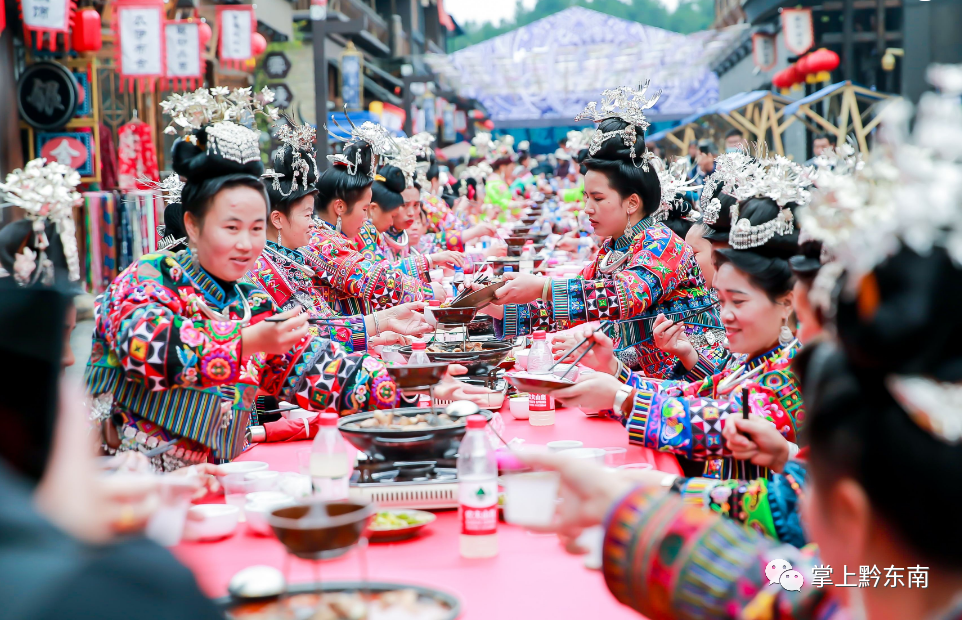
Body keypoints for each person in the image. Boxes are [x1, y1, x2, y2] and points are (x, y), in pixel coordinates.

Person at [86, 92, 398, 471]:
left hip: (211, 483)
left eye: (254, 228)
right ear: (192, 225)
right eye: (231, 227)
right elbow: (151, 348)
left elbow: (310, 363)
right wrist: (247, 342)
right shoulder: (147, 279)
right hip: (123, 494)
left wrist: (407, 392)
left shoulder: (247, 299)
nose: (247, 244)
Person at [548, 155, 811, 480]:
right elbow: (693, 394)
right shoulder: (753, 359)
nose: (725, 314)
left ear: (788, 302)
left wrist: (621, 396)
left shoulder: (794, 371)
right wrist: (614, 372)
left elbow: (715, 421)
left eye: (738, 302)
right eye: (722, 299)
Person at [484, 85, 725, 378]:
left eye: (597, 199)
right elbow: (573, 306)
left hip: (693, 377)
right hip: (643, 375)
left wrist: (541, 286)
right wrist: (496, 305)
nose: (587, 208)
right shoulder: (613, 249)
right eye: (586, 198)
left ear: (631, 202)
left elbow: (623, 294)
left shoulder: (664, 245)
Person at [247, 121, 431, 349]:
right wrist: (423, 291)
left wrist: (376, 334)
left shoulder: (292, 254)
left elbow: (322, 322)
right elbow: (309, 336)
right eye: (306, 215)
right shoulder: (271, 265)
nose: (311, 223)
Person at [306, 122, 445, 316]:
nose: (366, 218)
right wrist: (426, 291)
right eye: (364, 209)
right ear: (339, 207)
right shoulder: (321, 242)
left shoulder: (337, 236)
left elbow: (380, 270)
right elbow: (370, 280)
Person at [354, 162, 464, 281]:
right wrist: (426, 290)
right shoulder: (364, 232)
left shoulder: (400, 233)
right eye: (404, 205)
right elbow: (381, 278)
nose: (411, 213)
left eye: (416, 205)